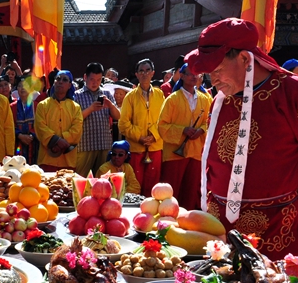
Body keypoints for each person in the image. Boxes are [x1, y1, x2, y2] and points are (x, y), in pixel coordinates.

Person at [184, 18, 298, 259]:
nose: (212, 81)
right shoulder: (221, 99)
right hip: (219, 225)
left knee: (276, 281)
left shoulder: (296, 92)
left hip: (276, 223)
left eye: (217, 70)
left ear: (244, 59)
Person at [157, 64, 211, 208]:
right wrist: (183, 130)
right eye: (190, 74)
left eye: (196, 74)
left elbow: (210, 121)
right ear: (181, 75)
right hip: (174, 154)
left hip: (196, 151)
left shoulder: (205, 99)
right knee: (171, 191)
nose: (194, 77)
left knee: (192, 192)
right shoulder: (172, 99)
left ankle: (188, 218)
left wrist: (201, 130)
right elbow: (161, 126)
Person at [118, 59, 165, 195]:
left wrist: (154, 135)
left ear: (153, 73)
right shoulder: (130, 97)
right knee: (135, 184)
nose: (145, 74)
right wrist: (140, 137)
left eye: (147, 70)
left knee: (153, 184)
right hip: (136, 148)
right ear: (137, 74)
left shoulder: (159, 94)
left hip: (155, 146)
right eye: (141, 71)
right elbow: (123, 123)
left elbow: (164, 120)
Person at [74, 62, 120, 177]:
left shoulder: (107, 93)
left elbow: (118, 116)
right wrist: (90, 109)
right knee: (81, 178)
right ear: (85, 77)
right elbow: (74, 120)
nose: (95, 83)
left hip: (104, 144)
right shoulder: (77, 95)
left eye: (99, 80)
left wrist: (111, 106)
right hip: (85, 145)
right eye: (92, 79)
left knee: (103, 179)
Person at [34, 70, 83, 172]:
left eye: (65, 80)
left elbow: (77, 130)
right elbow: (40, 128)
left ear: (70, 85)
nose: (60, 82)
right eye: (58, 79)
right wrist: (56, 140)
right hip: (47, 159)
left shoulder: (75, 107)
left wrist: (62, 142)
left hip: (68, 160)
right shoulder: (42, 105)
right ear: (54, 82)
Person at [13, 76, 40, 164]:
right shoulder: (11, 107)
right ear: (17, 89)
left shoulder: (38, 106)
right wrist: (19, 135)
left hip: (34, 144)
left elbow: (41, 124)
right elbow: (9, 125)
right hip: (17, 143)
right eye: (20, 86)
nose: (23, 88)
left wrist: (31, 135)